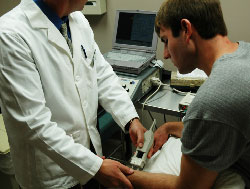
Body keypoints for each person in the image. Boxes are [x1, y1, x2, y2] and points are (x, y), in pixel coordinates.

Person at [0, 0, 147, 188]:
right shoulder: (11, 34)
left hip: (91, 155)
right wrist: (94, 166)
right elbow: (33, 123)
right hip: (52, 176)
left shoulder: (77, 20)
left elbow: (101, 75)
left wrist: (130, 119)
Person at [127, 0, 250, 188]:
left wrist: (125, 174)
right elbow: (217, 130)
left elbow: (186, 187)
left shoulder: (214, 99)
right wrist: (168, 127)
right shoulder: (244, 52)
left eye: (166, 41)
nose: (166, 54)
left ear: (186, 29)